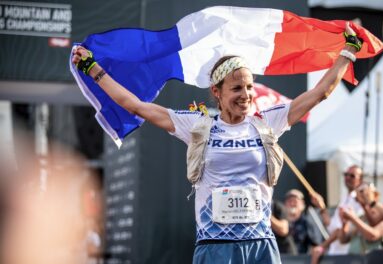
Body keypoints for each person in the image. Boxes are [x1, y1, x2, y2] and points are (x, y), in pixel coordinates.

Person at [72, 22, 361, 263]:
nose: (246, 94)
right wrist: (93, 69)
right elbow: (136, 106)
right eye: (236, 88)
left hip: (260, 245)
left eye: (249, 87)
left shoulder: (267, 122)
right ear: (217, 92)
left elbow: (320, 94)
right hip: (215, 245)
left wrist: (347, 52)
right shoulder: (199, 127)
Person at [311, 165, 364, 259]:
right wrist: (321, 206)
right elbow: (332, 227)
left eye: (352, 176)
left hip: (349, 255)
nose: (348, 177)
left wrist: (322, 247)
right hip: (335, 253)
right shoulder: (344, 199)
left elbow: (342, 232)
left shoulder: (360, 202)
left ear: (360, 180)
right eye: (346, 174)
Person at [337, 182, 383, 254]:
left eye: (366, 192)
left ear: (375, 195)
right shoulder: (361, 217)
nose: (363, 195)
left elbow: (373, 235)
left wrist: (353, 218)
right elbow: (343, 240)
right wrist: (344, 223)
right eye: (360, 193)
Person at [284, 189, 323, 254]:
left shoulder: (307, 223)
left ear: (303, 205)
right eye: (289, 201)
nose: (292, 203)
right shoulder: (278, 223)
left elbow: (316, 246)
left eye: (295, 201)